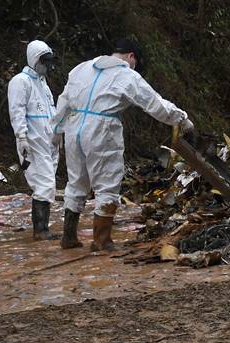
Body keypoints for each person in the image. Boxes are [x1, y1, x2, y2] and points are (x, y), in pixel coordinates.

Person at [52, 38, 193, 250]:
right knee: (107, 182)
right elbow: (154, 104)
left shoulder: (82, 68)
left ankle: (69, 237)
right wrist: (181, 119)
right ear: (131, 57)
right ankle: (101, 241)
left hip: (74, 128)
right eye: (135, 62)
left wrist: (56, 130)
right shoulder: (126, 75)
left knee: (76, 182)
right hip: (102, 128)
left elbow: (63, 100)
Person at [8, 40, 59, 240]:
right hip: (32, 140)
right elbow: (17, 111)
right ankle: (40, 230)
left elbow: (52, 110)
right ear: (34, 59)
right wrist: (21, 137)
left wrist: (57, 134)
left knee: (47, 183)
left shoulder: (43, 84)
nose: (47, 66)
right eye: (44, 62)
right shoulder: (21, 81)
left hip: (47, 141)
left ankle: (42, 227)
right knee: (44, 184)